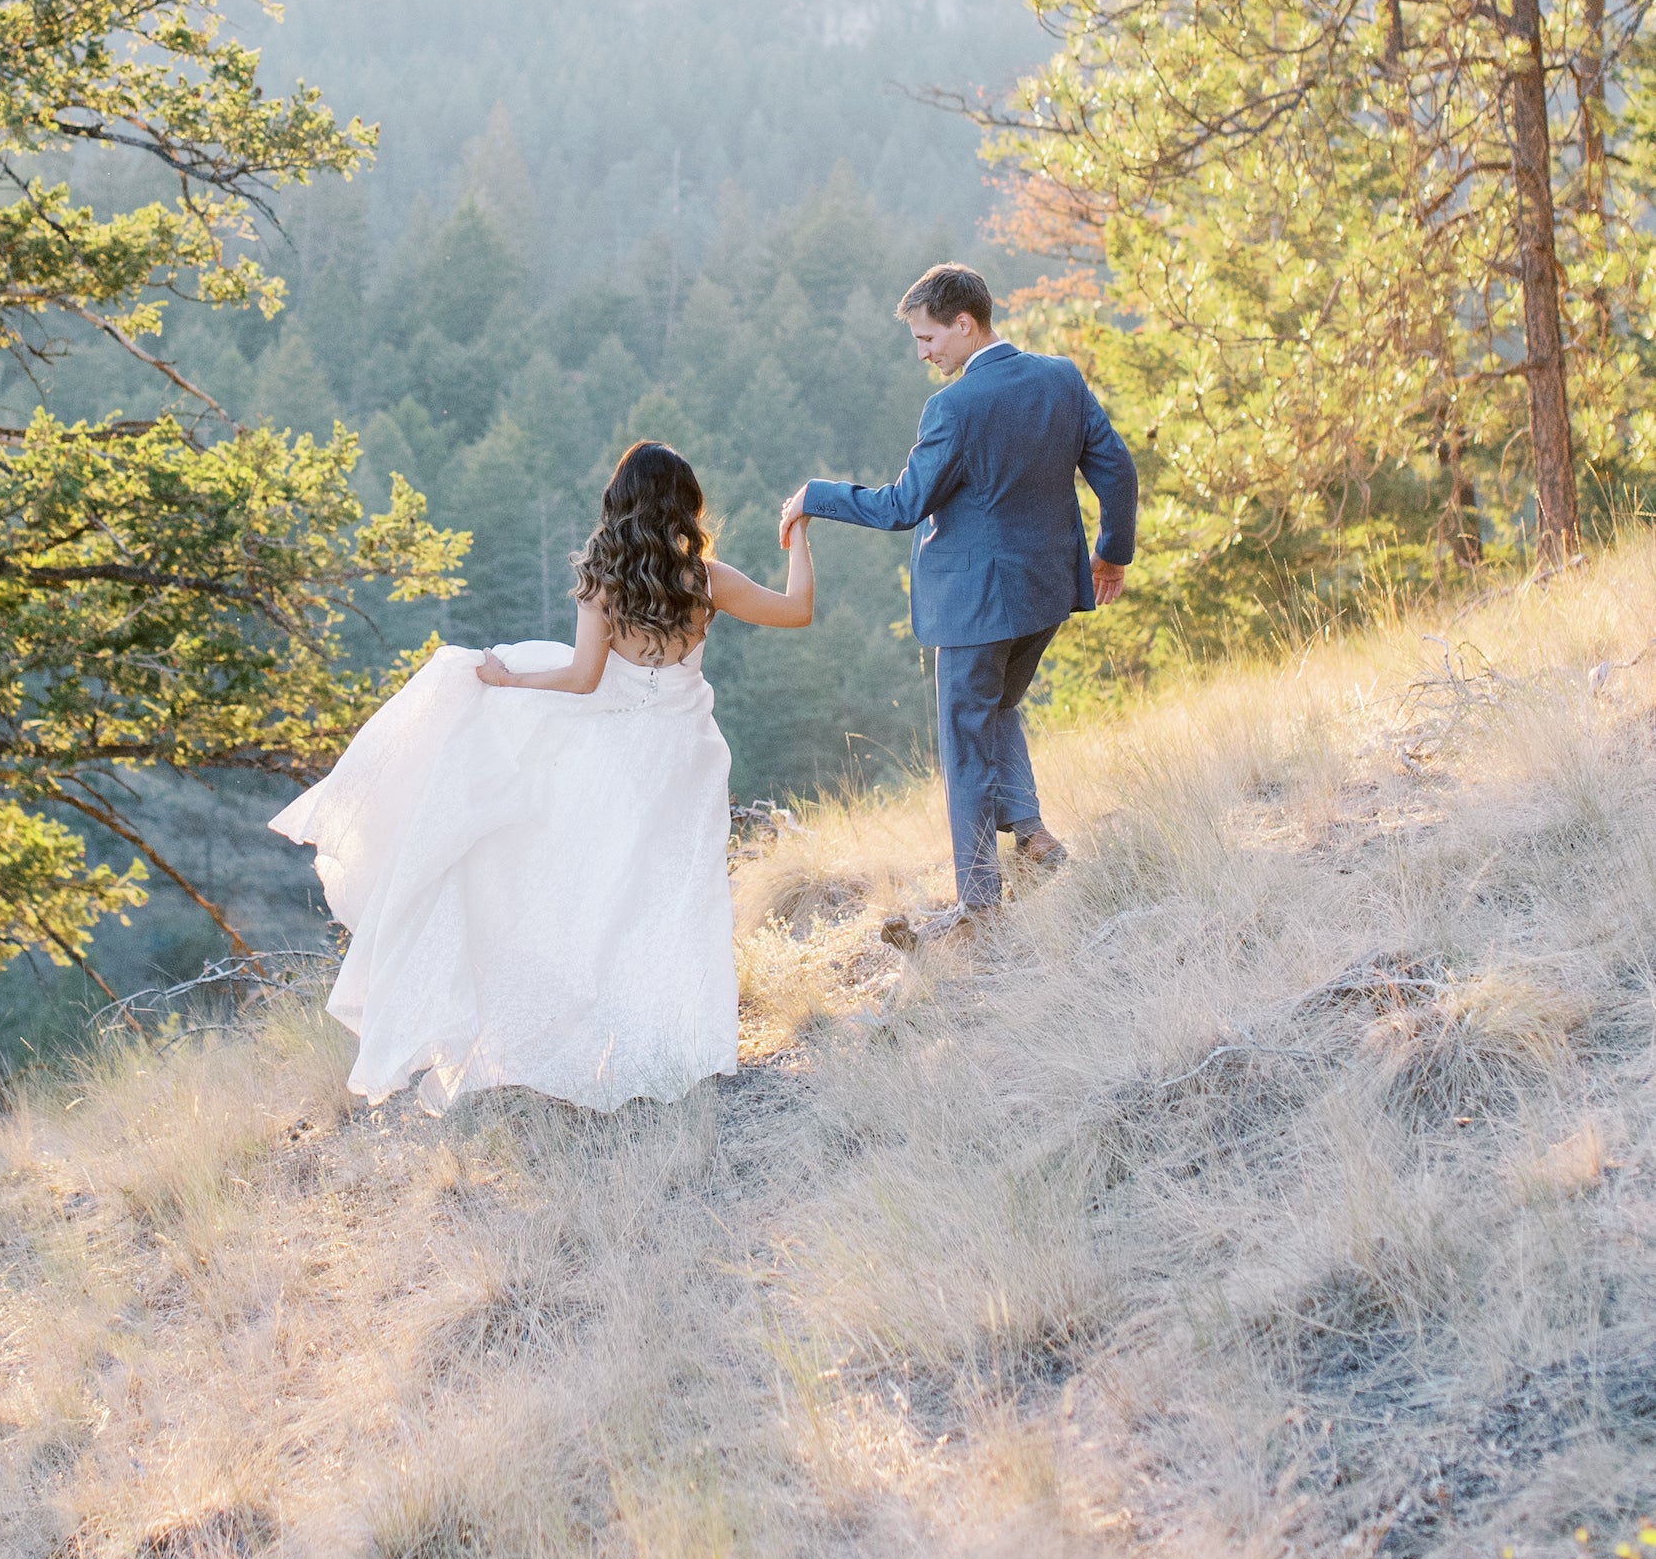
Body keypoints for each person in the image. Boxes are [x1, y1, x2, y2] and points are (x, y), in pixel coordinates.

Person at [269, 441, 813, 1112]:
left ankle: (598, 1032)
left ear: (621, 501)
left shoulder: (605, 577)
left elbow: (582, 679)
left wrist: (511, 678)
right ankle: (689, 1044)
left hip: (618, 756)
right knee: (678, 896)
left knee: (602, 892)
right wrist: (798, 536)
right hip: (683, 755)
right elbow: (797, 609)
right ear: (685, 501)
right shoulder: (707, 579)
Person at [780, 262, 1136, 934]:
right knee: (998, 706)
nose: (922, 353)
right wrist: (1111, 552)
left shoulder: (954, 406)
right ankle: (1033, 837)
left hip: (977, 605)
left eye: (927, 338)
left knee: (966, 738)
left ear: (964, 324)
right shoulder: (1061, 376)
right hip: (1051, 591)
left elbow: (903, 505)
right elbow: (1116, 466)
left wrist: (814, 496)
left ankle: (978, 902)